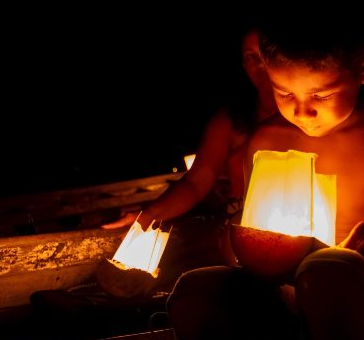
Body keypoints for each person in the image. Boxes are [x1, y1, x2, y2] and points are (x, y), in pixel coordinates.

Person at [167, 16, 364, 340]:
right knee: (194, 293)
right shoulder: (266, 139)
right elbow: (252, 232)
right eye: (285, 94)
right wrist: (236, 245)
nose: (302, 111)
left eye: (321, 95)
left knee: (328, 269)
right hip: (282, 290)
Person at [103, 28, 278, 234]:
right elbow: (195, 183)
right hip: (241, 233)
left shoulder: (306, 117)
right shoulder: (229, 121)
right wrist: (148, 215)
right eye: (251, 56)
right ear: (243, 65)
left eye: (267, 53)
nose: (261, 64)